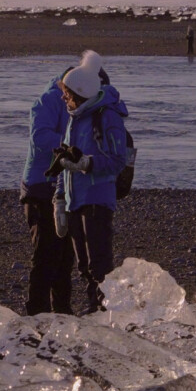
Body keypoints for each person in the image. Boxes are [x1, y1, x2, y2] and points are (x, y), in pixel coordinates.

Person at [54, 50, 129, 312]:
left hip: (97, 198)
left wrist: (88, 164)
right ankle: (94, 307)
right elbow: (65, 162)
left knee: (100, 265)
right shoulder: (75, 119)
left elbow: (118, 159)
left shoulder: (106, 117)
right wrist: (60, 199)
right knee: (84, 265)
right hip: (76, 200)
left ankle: (105, 313)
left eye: (68, 93)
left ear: (81, 93)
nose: (64, 97)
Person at [20, 69, 74, 314]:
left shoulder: (74, 103)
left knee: (64, 258)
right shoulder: (47, 101)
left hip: (63, 186)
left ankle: (61, 312)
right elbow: (40, 138)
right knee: (45, 253)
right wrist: (72, 145)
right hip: (40, 187)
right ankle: (36, 313)